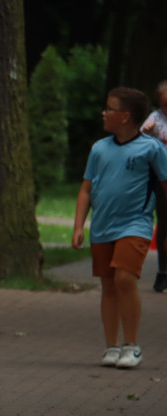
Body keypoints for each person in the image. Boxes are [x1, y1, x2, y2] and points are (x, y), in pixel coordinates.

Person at [72, 86, 167, 368]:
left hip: (135, 224)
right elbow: (86, 190)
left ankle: (132, 345)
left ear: (125, 116)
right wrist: (79, 226)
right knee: (109, 285)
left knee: (125, 279)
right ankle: (112, 346)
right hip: (102, 227)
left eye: (110, 108)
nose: (104, 113)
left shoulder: (152, 149)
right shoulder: (98, 149)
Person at [141, 80, 167, 291]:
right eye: (165, 105)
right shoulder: (155, 120)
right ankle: (163, 272)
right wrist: (147, 133)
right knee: (165, 224)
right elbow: (137, 143)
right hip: (162, 180)